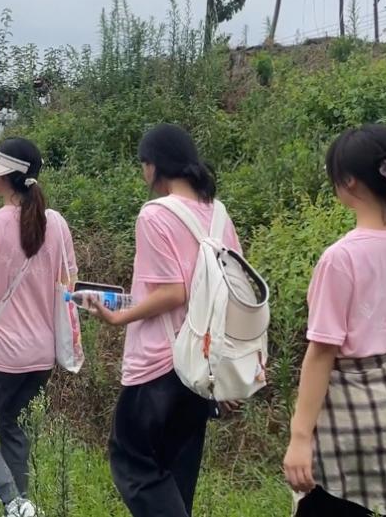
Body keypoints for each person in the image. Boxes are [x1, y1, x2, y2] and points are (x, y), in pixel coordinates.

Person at [283, 125, 386, 517]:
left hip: (353, 408)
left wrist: (300, 438)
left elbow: (322, 353)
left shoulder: (341, 259)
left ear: (349, 182)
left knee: (331, 504)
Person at [85, 123, 241, 517]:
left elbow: (172, 292)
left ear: (155, 165)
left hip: (160, 362)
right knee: (177, 470)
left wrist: (120, 317)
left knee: (132, 461)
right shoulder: (218, 215)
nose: (143, 173)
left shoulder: (154, 215)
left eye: (143, 164)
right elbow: (234, 291)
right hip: (202, 364)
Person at [0, 139, 77, 517]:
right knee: (13, 426)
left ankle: (14, 501)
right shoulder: (55, 222)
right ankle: (20, 505)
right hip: (42, 354)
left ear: (4, 177)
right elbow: (68, 283)